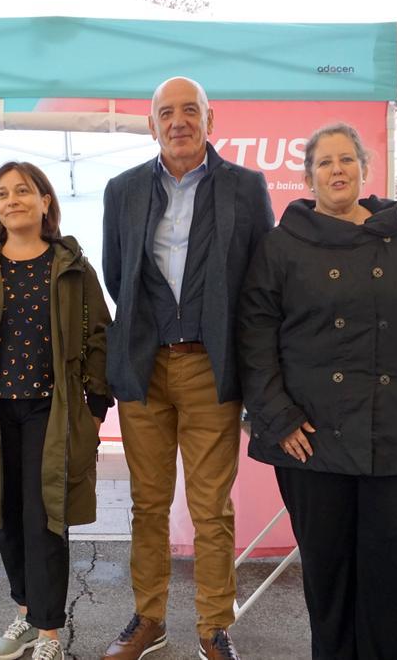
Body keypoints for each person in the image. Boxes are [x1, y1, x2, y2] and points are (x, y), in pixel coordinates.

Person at [239, 123, 397, 658]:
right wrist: (279, 418)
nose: (336, 170)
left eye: (346, 160)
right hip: (315, 438)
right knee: (329, 574)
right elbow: (254, 335)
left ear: (364, 168)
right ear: (307, 176)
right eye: (324, 163)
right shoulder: (280, 245)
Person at [100, 76, 273, 660]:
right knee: (148, 504)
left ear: (209, 119)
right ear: (151, 124)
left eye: (189, 111)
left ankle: (212, 625)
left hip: (210, 365)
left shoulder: (245, 187)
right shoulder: (121, 190)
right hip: (145, 368)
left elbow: (258, 279)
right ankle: (149, 618)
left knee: (210, 507)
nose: (178, 121)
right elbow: (115, 272)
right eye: (166, 113)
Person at [0, 161, 112, 660]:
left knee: (47, 517)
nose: (12, 200)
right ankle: (27, 615)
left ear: (45, 201)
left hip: (53, 413)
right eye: (3, 194)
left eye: (23, 191)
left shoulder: (72, 266)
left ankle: (52, 633)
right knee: (6, 515)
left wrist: (95, 404)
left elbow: (99, 336)